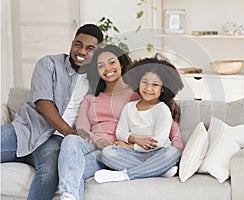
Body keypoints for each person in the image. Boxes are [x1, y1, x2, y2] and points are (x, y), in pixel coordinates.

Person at [58, 45, 183, 200]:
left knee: (74, 172)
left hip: (122, 151)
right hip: (97, 146)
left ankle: (149, 168)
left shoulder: (137, 94)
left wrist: (177, 148)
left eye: (112, 62)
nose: (107, 68)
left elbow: (165, 120)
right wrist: (99, 141)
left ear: (121, 64)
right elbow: (81, 128)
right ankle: (68, 196)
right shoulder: (90, 99)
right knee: (71, 144)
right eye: (101, 65)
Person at [0, 24, 103, 200]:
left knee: (49, 175)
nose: (82, 51)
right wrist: (69, 132)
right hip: (27, 129)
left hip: (55, 141)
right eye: (78, 44)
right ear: (72, 44)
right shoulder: (49, 63)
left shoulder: (97, 80)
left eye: (90, 48)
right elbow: (42, 102)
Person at [94, 57, 184, 184]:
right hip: (135, 156)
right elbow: (120, 133)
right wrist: (136, 139)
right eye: (145, 82)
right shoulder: (129, 107)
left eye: (155, 85)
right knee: (108, 153)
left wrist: (131, 146)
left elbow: (158, 142)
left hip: (157, 154)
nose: (148, 88)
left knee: (173, 153)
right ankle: (157, 171)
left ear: (163, 88)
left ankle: (126, 175)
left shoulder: (162, 109)